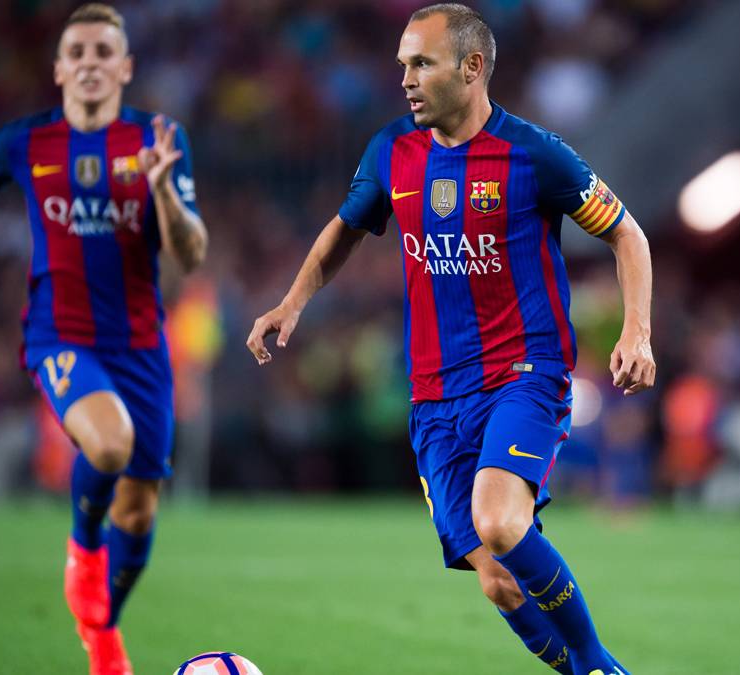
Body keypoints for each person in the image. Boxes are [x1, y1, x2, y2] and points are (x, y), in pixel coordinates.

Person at [247, 4, 653, 673]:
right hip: (435, 395)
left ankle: (601, 665)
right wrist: (293, 302)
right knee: (497, 577)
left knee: (498, 520)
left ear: (471, 68)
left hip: (524, 372)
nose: (405, 77)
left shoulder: (533, 154)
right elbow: (345, 228)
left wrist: (637, 330)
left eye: (421, 62)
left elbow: (627, 234)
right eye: (403, 63)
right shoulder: (391, 152)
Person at [0, 5, 207, 674]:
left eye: (103, 51)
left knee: (138, 515)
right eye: (76, 50)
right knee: (109, 443)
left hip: (142, 346)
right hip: (60, 336)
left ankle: (102, 634)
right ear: (58, 68)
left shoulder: (159, 138)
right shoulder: (27, 142)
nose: (89, 61)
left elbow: (190, 254)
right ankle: (83, 552)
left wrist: (164, 190)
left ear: (125, 67)